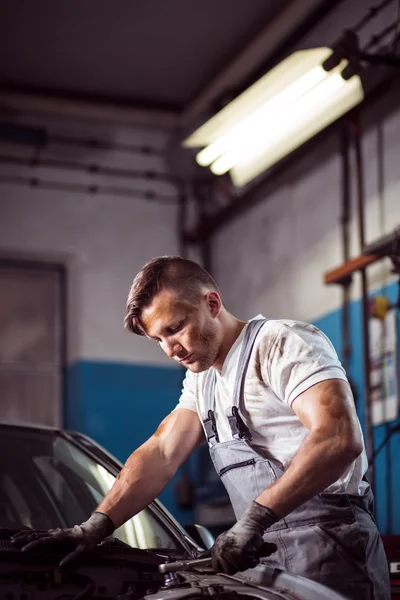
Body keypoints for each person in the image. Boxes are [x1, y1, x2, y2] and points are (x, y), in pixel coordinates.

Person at [12, 256, 390, 600]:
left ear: (212, 303)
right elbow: (161, 452)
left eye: (174, 329)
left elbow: (338, 436)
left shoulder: (281, 342)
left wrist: (253, 520)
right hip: (261, 554)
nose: (170, 350)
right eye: (158, 339)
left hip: (332, 547)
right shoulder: (203, 379)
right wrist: (94, 526)